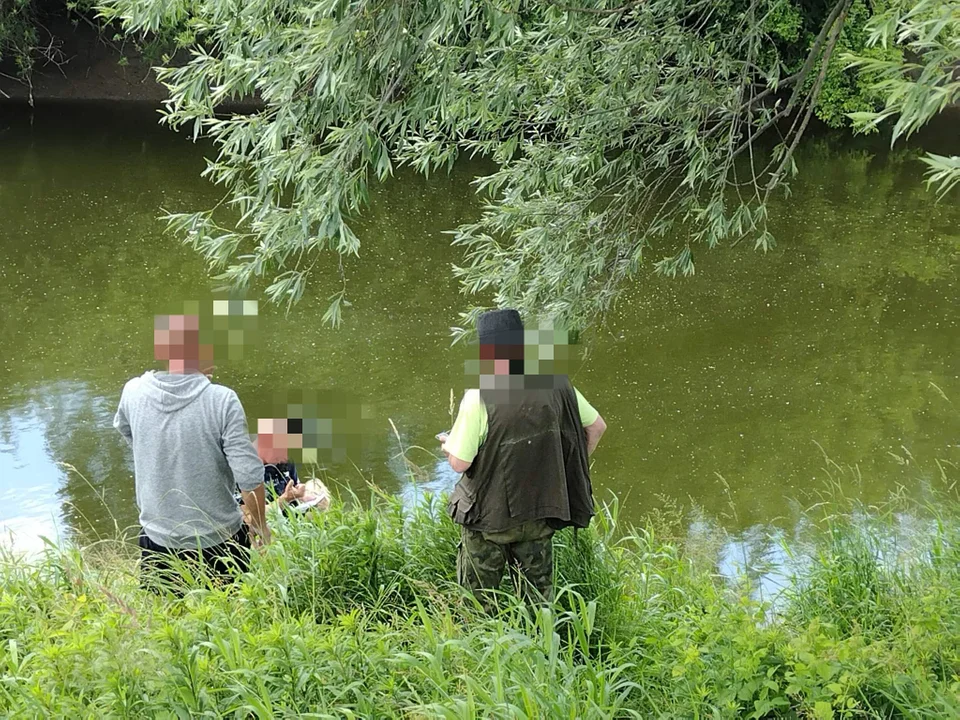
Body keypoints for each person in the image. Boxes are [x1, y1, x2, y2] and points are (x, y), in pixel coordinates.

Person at [439, 308, 607, 606]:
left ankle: (479, 647)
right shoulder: (558, 384)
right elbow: (595, 427)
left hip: (489, 521)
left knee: (478, 603)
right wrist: (564, 464)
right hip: (540, 510)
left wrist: (450, 444)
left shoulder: (479, 396)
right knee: (539, 602)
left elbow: (460, 463)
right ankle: (541, 646)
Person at [113, 314, 270, 591]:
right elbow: (248, 476)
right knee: (230, 623)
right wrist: (259, 527)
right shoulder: (222, 400)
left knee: (169, 625)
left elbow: (129, 434)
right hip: (220, 542)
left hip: (157, 539)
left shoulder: (133, 392)